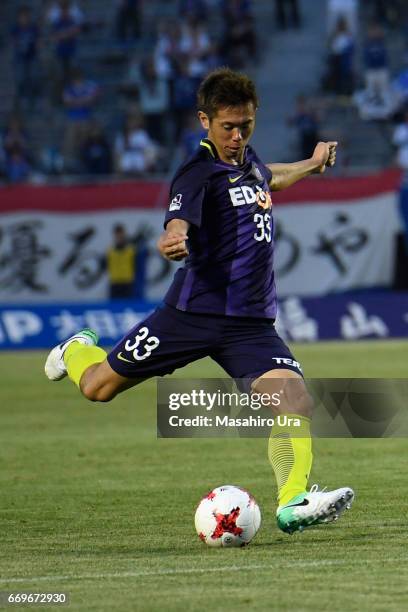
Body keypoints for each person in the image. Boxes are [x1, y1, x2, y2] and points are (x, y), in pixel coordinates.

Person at [44, 68, 354, 535]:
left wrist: (312, 163)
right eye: (227, 127)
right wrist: (173, 238)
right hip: (189, 315)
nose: (236, 136)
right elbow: (177, 221)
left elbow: (273, 179)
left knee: (295, 399)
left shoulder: (248, 163)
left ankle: (293, 503)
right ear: (203, 121)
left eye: (245, 125)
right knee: (97, 388)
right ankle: (75, 350)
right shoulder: (197, 173)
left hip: (249, 325)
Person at [106, 224, 136, 299]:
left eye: (121, 234)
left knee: (128, 306)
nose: (119, 237)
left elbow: (136, 266)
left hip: (127, 283)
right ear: (115, 235)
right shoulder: (110, 251)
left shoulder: (131, 250)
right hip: (114, 283)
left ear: (124, 234)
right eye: (117, 234)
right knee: (114, 307)